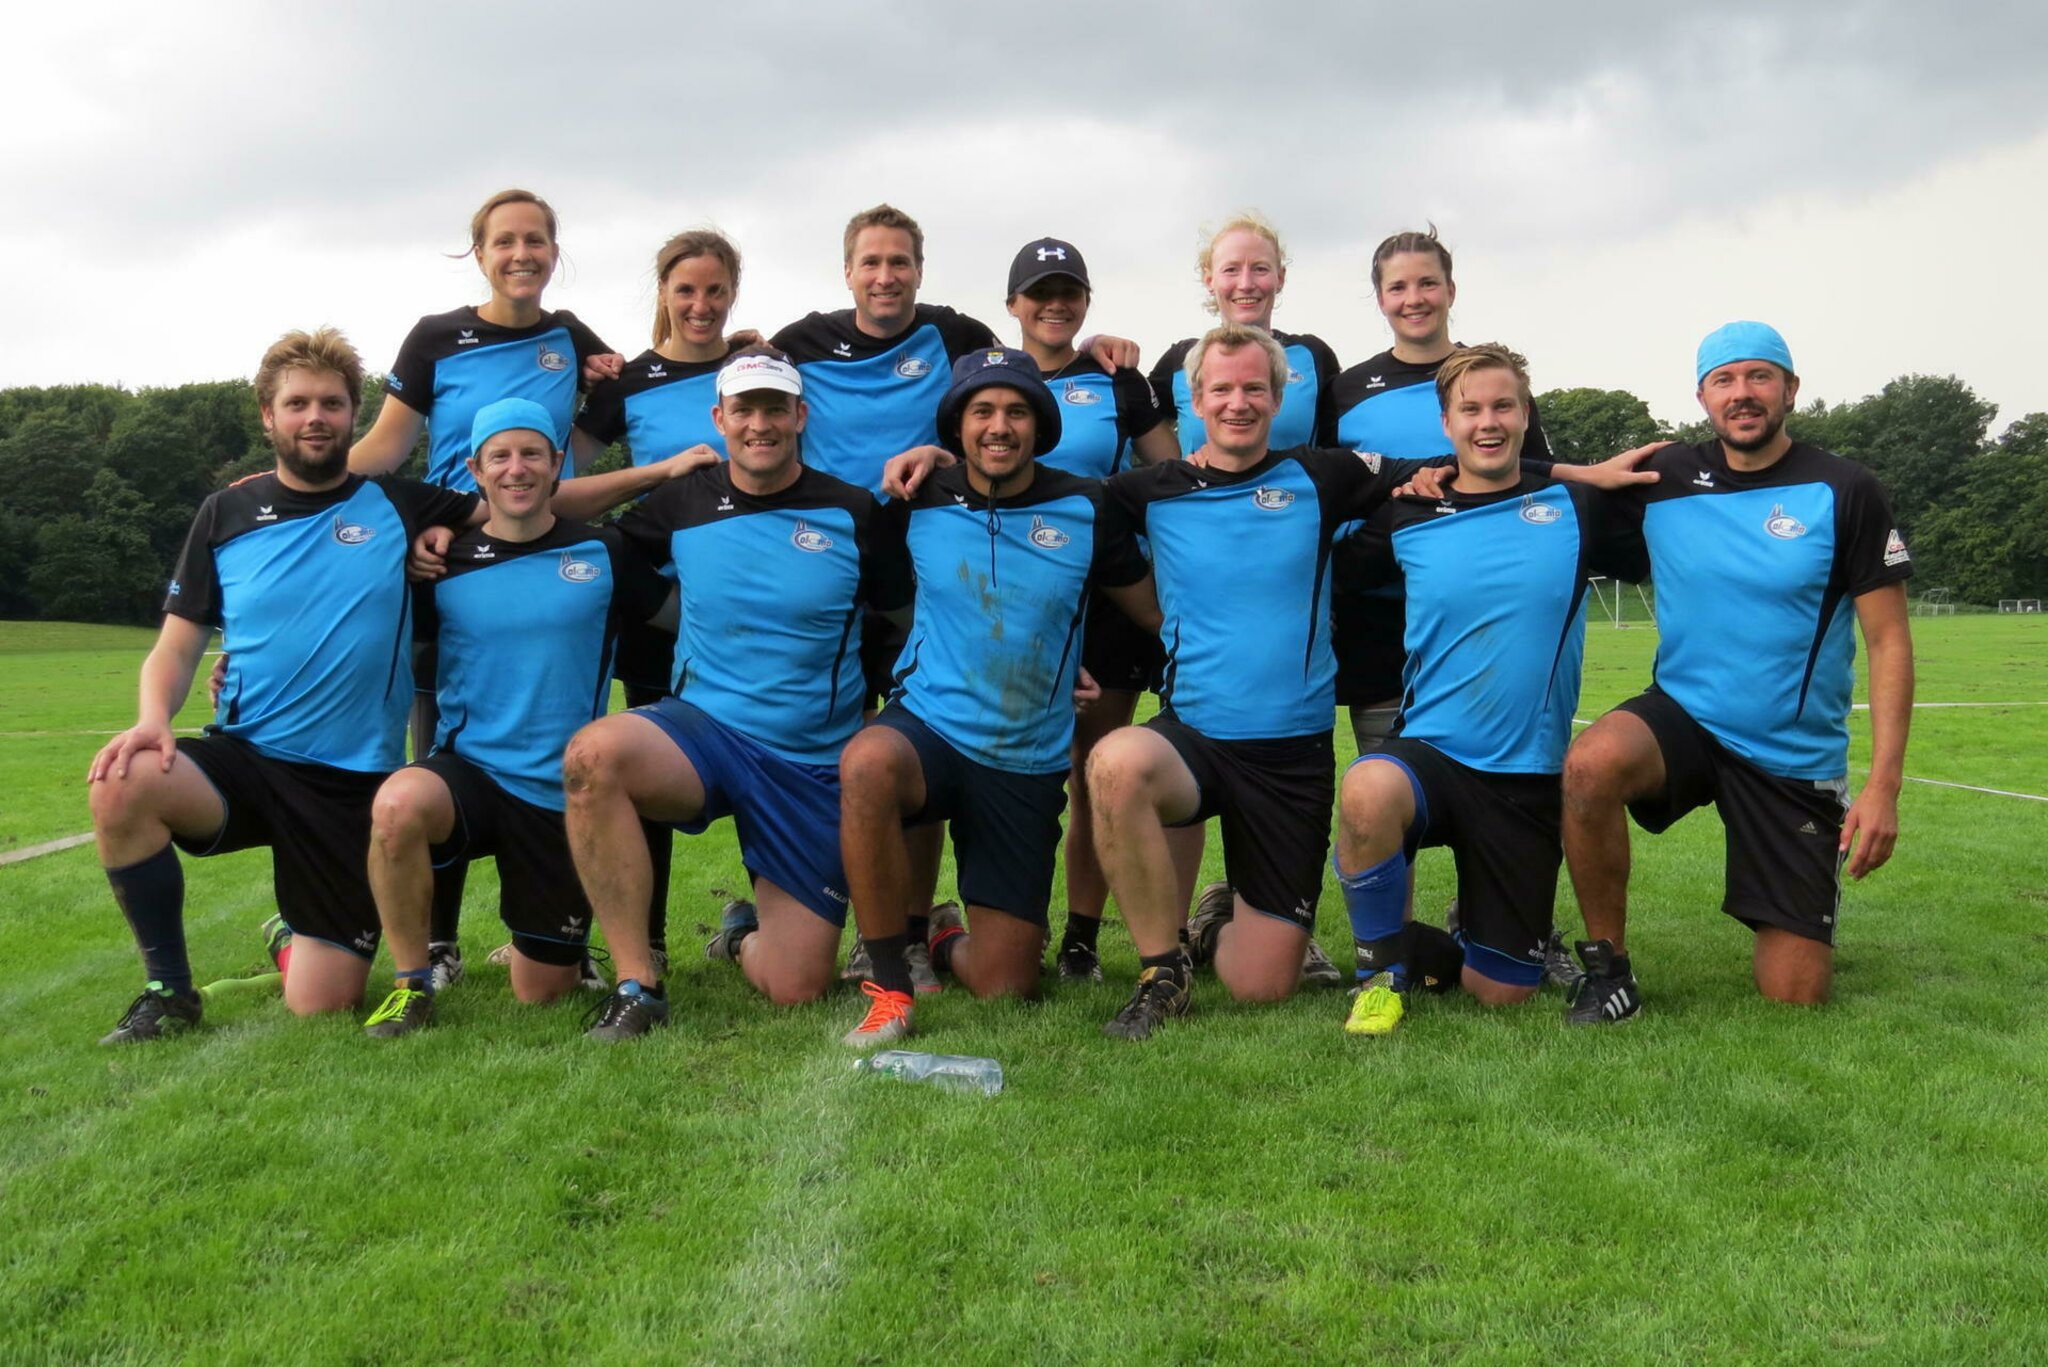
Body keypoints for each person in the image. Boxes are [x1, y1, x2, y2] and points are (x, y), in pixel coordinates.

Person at [1086, 324, 1652, 1040]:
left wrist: (1584, 473)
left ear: (1278, 395)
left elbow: (1472, 465)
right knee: (1114, 762)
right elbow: (1053, 517)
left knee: (1265, 987)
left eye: (1255, 387)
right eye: (1221, 389)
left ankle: (1218, 921)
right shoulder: (1144, 491)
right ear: (1195, 399)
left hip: (1289, 756)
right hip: (1193, 733)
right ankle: (1159, 970)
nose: (1238, 402)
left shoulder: (1325, 475)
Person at [88, 328, 480, 1042]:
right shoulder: (226, 512)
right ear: (267, 416)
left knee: (321, 1005)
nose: (315, 417)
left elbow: (515, 516)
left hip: (348, 785)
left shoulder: (398, 503)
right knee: (123, 779)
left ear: (353, 414)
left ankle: (290, 939)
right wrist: (151, 719)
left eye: (332, 403)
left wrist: (447, 534)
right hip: (246, 761)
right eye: (297, 403)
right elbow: (178, 645)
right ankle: (168, 990)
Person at [342, 189, 688, 988]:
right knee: (441, 738)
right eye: (505, 241)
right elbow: (383, 451)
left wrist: (738, 346)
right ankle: (433, 946)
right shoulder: (436, 337)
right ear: (480, 251)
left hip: (542, 541)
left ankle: (572, 931)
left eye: (537, 240)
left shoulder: (571, 337)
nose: (522, 253)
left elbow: (653, 363)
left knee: (540, 730)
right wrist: (307, 480)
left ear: (554, 252)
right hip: (451, 549)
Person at [1559, 321, 1915, 1021]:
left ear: (1790, 388)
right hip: (1685, 716)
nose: (1742, 393)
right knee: (1588, 765)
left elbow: (1890, 642)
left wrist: (1884, 787)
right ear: (1701, 395)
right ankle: (1607, 970)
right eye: (1724, 380)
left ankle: (1795, 905)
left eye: (1759, 376)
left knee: (1795, 993)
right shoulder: (1660, 479)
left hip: (1790, 755)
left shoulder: (1846, 489)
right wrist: (1575, 472)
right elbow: (1510, 479)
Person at [562, 349, 913, 1039]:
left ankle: (741, 935)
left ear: (800, 416)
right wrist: (660, 475)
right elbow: (559, 516)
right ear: (720, 419)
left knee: (796, 985)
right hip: (704, 733)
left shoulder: (851, 511)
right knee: (592, 758)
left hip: (809, 761)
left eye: (775, 408)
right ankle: (639, 983)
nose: (761, 424)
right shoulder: (680, 501)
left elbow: (900, 623)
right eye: (744, 410)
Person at [837, 350, 1159, 1047]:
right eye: (981, 410)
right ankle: (890, 980)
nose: (999, 426)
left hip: (1025, 757)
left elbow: (1148, 609)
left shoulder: (1086, 504)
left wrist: (1074, 662)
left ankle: (947, 936)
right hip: (929, 725)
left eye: (1016, 410)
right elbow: (877, 594)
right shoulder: (915, 496)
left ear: (1041, 425)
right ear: (957, 425)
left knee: (1006, 983)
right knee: (866, 762)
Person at [1331, 344, 1646, 1038]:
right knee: (1365, 789)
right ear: (1446, 423)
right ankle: (1378, 975)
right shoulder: (1409, 513)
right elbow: (1321, 572)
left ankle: (1437, 946)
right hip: (1431, 756)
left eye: (1503, 405)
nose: (1488, 421)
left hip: (1526, 779)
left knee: (1500, 991)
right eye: (1470, 408)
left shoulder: (1578, 504)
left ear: (1526, 416)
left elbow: (1681, 540)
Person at [359, 399, 676, 1037]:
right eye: (499, 456)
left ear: (557, 463)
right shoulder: (440, 564)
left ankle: (571, 954)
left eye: (532, 453)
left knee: (540, 993)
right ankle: (410, 983)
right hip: (469, 775)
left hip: (564, 795)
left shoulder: (605, 553)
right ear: (475, 470)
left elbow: (684, 620)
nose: (517, 469)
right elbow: (364, 635)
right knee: (397, 805)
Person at [999, 237, 1188, 982]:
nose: (1055, 304)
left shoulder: (1118, 379)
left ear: (1086, 302)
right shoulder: (986, 376)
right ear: (1012, 303)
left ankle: (1079, 938)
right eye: (1039, 291)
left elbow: (1170, 473)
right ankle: (1008, 922)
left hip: (1105, 598)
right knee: (1014, 770)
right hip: (1014, 598)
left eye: (1069, 291)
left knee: (1090, 773)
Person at [569, 228, 745, 965]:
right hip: (657, 607)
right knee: (645, 773)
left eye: (714, 290)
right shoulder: (626, 383)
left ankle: (772, 916)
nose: (700, 305)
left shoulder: (761, 368)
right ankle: (646, 942)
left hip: (748, 600)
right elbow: (559, 493)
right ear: (664, 294)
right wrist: (658, 474)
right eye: (685, 290)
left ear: (732, 293)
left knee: (769, 754)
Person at [1329, 227, 1554, 755]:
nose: (1415, 299)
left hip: (1485, 607)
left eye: (1427, 283)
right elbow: (1332, 493)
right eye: (1399, 287)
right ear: (1381, 299)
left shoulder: (1493, 380)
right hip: (1381, 616)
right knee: (1385, 785)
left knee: (1488, 781)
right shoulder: (1346, 390)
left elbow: (1538, 477)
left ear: (1451, 290)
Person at [1147, 213, 1339, 457]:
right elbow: (1133, 422)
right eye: (1231, 270)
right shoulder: (1180, 362)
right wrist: (1178, 469)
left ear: (1280, 278)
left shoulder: (1313, 356)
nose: (1246, 283)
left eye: (1260, 268)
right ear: (1210, 279)